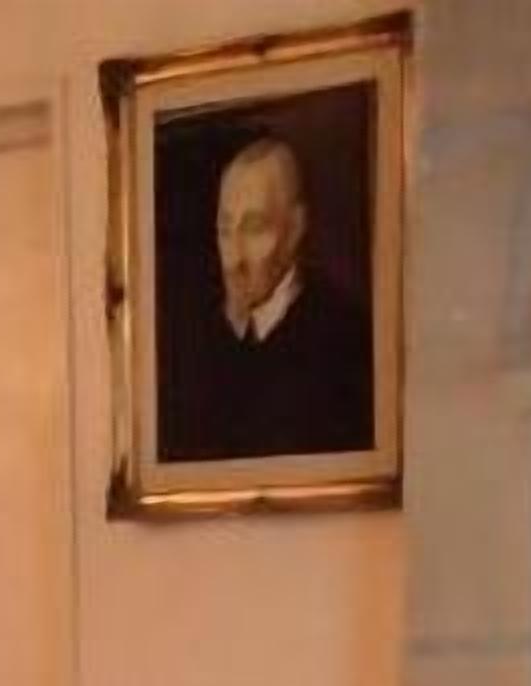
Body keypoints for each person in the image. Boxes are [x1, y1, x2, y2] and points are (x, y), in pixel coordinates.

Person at [158, 132, 376, 463]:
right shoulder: (194, 336)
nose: (233, 260)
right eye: (225, 230)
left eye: (254, 228)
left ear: (295, 229)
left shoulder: (345, 338)